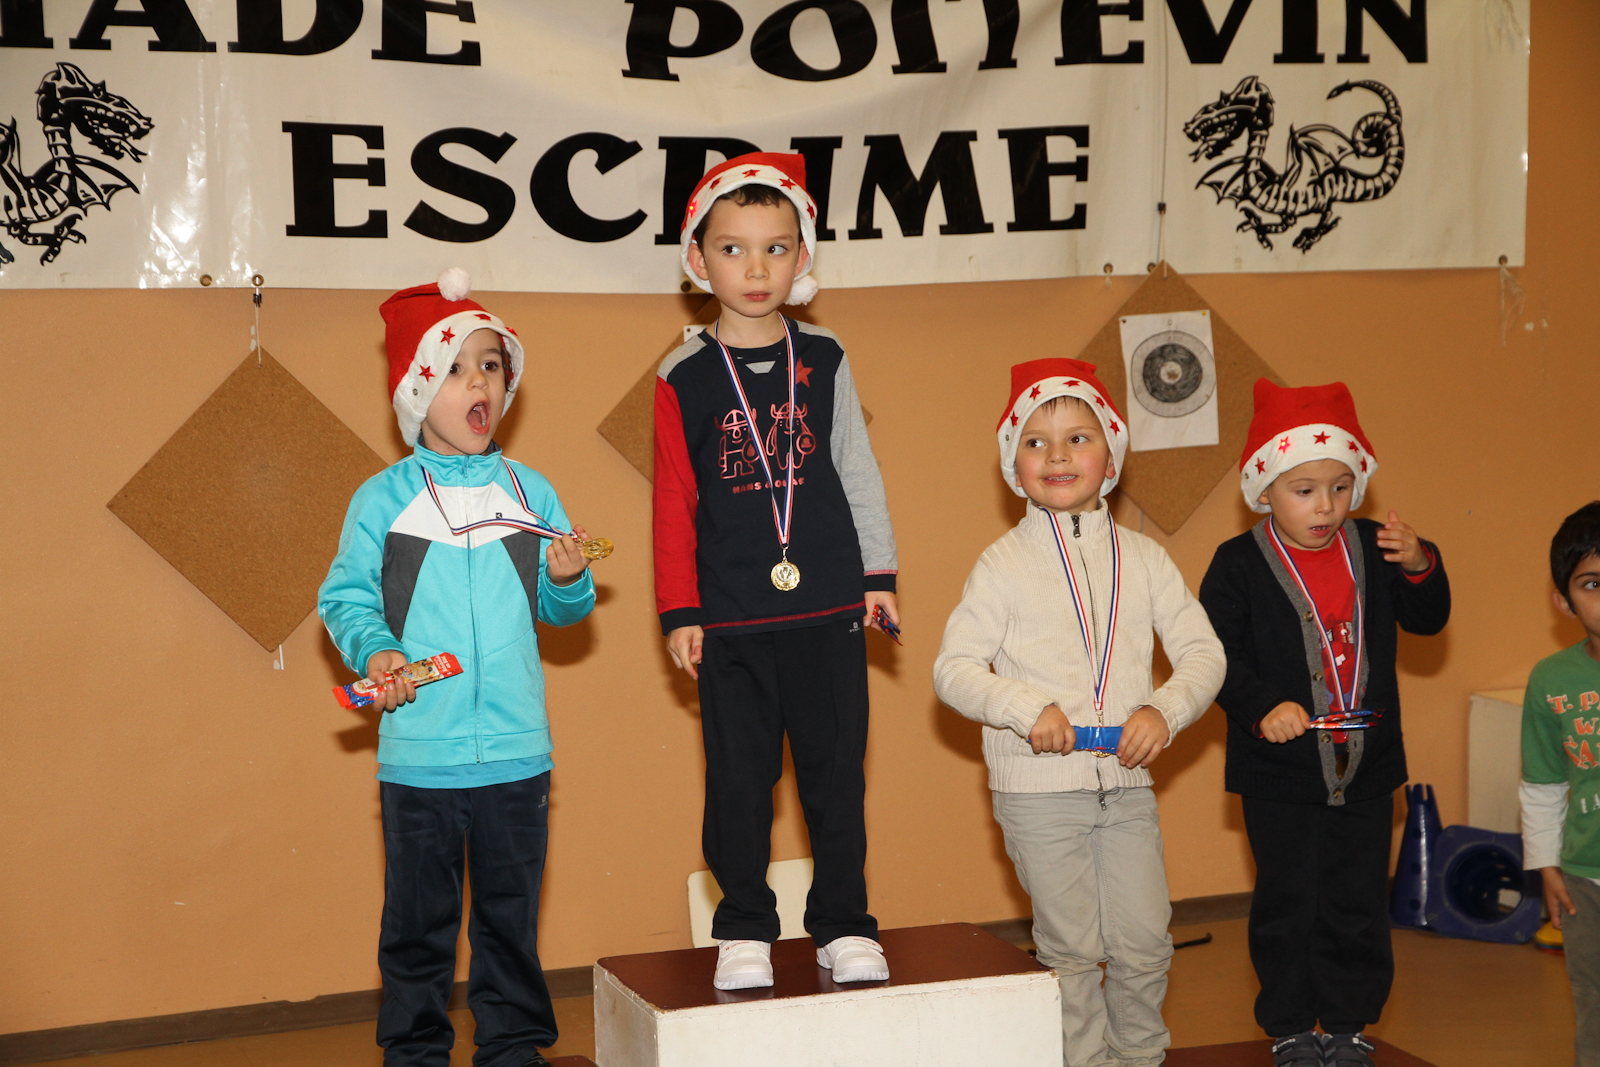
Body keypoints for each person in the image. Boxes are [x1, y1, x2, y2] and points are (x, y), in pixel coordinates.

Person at [318, 269, 596, 1067]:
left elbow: (562, 612)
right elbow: (346, 597)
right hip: (421, 757)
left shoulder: (531, 491)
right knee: (418, 926)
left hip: (518, 752)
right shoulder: (382, 499)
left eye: (492, 365)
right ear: (416, 391)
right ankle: (412, 1053)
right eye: (456, 368)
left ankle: (512, 1049)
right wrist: (378, 652)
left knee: (510, 922)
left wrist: (568, 579)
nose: (481, 382)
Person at [933, 358, 1226, 1067]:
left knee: (1145, 943)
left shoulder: (1146, 559)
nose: (1057, 455)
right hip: (1038, 791)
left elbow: (1204, 653)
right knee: (1071, 950)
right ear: (1014, 465)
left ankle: (1140, 1058)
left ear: (1112, 457)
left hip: (1125, 787)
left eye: (1077, 437)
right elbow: (954, 670)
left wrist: (1164, 708)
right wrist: (1024, 705)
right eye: (1035, 441)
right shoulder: (1000, 564)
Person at [653, 152, 899, 991]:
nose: (755, 268)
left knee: (836, 780)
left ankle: (845, 923)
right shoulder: (682, 375)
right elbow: (674, 501)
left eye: (775, 248)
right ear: (698, 259)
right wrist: (680, 609)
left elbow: (857, 467)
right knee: (738, 784)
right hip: (731, 620)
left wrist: (878, 575)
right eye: (733, 248)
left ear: (802, 257)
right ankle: (744, 926)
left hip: (828, 609)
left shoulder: (825, 355)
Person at [1198, 379, 1450, 1067]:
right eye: (1304, 489)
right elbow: (1214, 656)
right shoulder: (1236, 565)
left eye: (1341, 487)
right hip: (1278, 774)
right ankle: (1288, 1026)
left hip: (1367, 768)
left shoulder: (1375, 546)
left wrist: (1421, 563)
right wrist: (1260, 706)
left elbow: (1429, 619)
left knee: (1357, 900)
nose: (1325, 505)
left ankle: (1346, 1024)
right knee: (1288, 900)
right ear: (1264, 489)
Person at [1521, 502, 1600, 1067]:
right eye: (1593, 584)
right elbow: (1543, 784)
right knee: (1593, 999)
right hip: (1585, 877)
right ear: (1564, 601)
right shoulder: (1552, 680)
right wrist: (1547, 866)